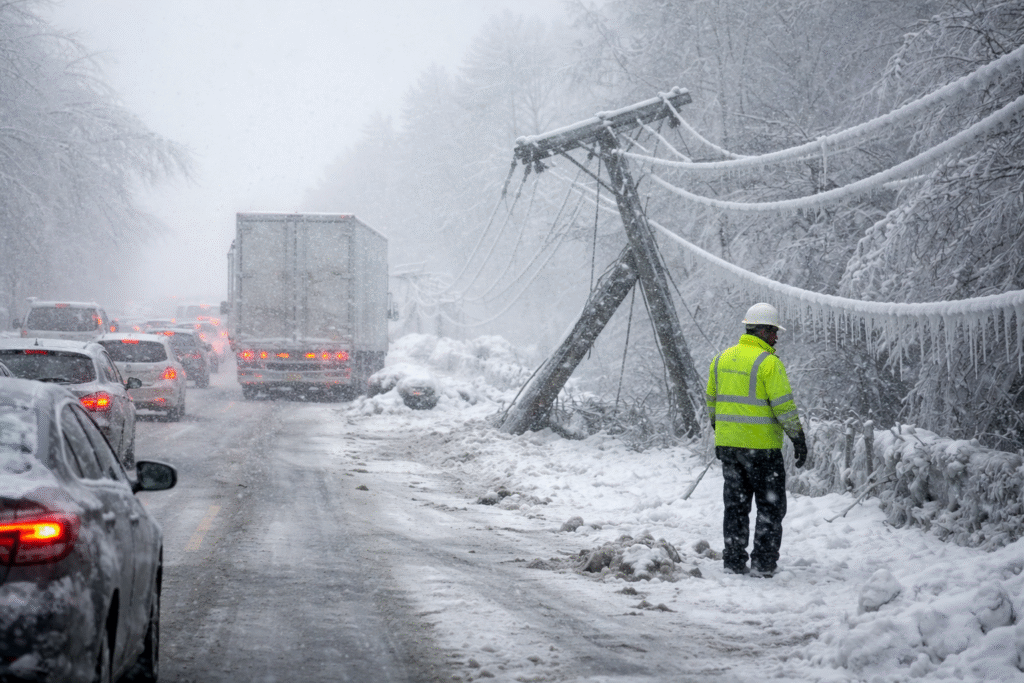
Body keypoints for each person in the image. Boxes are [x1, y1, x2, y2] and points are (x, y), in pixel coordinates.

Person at [705, 302, 808, 577]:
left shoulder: (721, 359)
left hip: (730, 449)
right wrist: (797, 438)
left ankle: (733, 561)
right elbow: (784, 407)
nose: (776, 337)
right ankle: (763, 563)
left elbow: (711, 400)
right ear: (761, 331)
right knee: (770, 507)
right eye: (773, 332)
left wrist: (720, 430)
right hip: (762, 451)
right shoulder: (769, 363)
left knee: (735, 506)